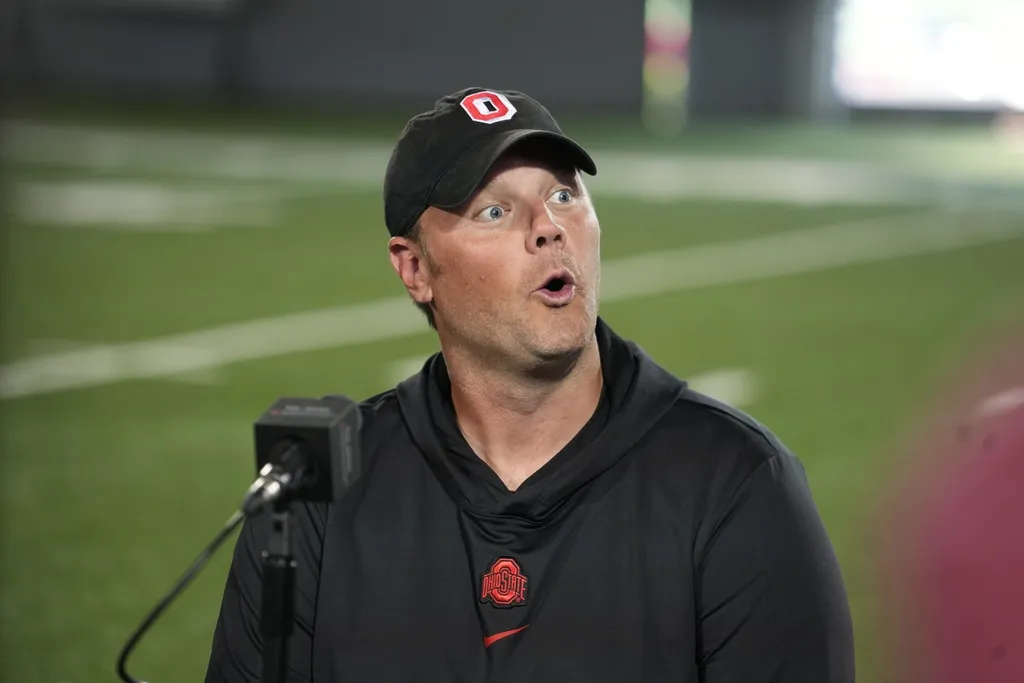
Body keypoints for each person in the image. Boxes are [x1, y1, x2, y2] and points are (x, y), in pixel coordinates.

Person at [204, 87, 855, 682]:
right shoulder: (320, 496)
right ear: (414, 268)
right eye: (494, 210)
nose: (548, 226)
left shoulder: (736, 484)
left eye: (564, 194)